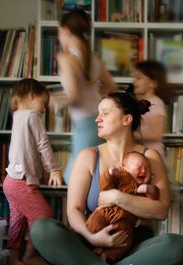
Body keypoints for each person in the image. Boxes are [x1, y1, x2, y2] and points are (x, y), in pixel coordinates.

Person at [31, 92, 183, 265]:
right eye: (98, 114)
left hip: (131, 249)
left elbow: (160, 211)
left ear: (127, 119)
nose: (97, 119)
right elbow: (73, 210)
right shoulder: (88, 156)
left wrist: (116, 197)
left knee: (181, 246)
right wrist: (93, 237)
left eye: (105, 113)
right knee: (42, 229)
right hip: (88, 247)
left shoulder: (150, 157)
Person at [3, 78, 63, 265]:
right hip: (21, 181)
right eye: (43, 103)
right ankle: (31, 254)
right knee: (43, 215)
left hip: (10, 181)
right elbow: (42, 143)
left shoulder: (18, 115)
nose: (44, 109)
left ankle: (13, 260)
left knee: (17, 222)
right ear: (31, 96)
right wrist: (53, 168)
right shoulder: (32, 115)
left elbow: (27, 150)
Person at [58, 9, 117, 182]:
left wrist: (54, 100)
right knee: (95, 174)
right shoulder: (94, 59)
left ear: (66, 30)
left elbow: (75, 97)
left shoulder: (66, 59)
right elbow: (112, 87)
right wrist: (97, 98)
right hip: (99, 121)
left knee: (76, 178)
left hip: (84, 124)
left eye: (59, 32)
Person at [86, 151, 160, 263]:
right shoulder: (122, 177)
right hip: (106, 212)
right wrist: (109, 174)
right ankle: (96, 246)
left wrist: (150, 189)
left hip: (125, 222)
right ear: (125, 169)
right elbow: (105, 186)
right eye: (139, 167)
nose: (144, 171)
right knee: (94, 223)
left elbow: (155, 197)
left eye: (147, 169)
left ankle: (106, 256)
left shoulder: (144, 187)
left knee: (125, 242)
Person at [132, 60, 173, 157]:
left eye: (138, 78)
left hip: (153, 156)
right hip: (142, 154)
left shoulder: (156, 104)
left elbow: (156, 134)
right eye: (134, 78)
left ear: (153, 83)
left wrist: (131, 135)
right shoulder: (140, 103)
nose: (134, 82)